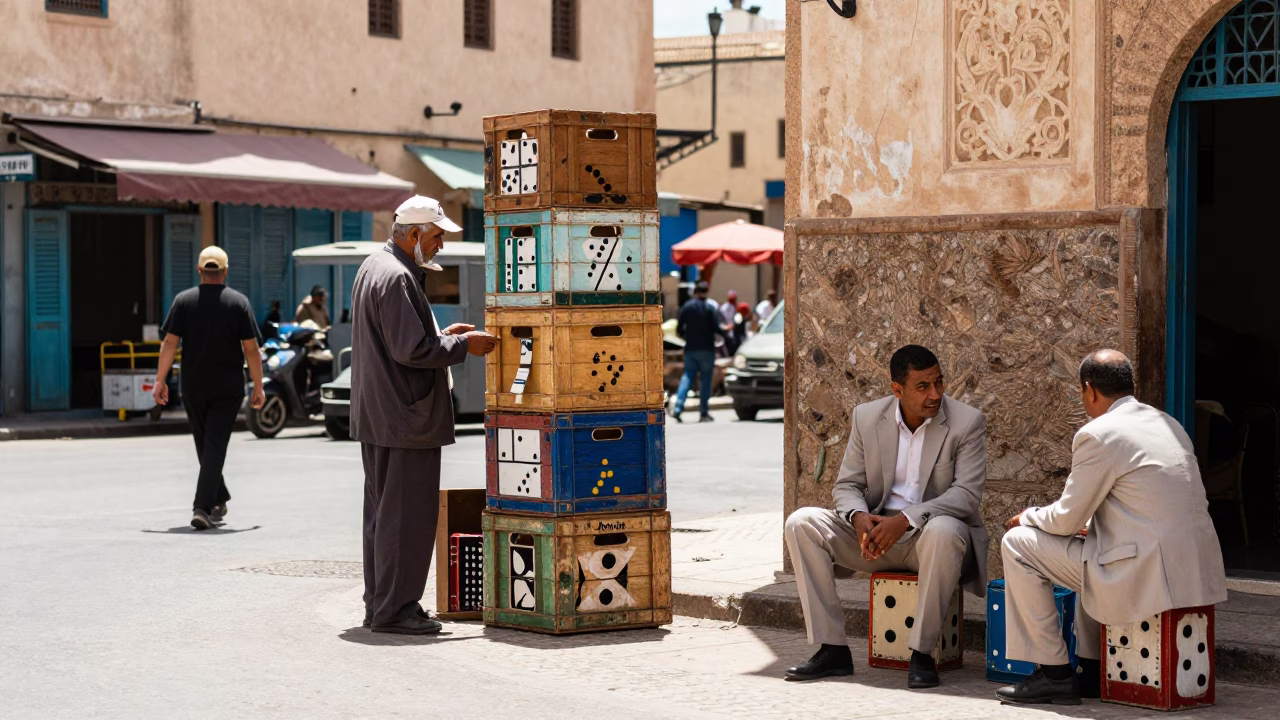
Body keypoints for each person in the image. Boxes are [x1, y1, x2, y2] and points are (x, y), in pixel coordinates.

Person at [996, 350, 1227, 705]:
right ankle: (1091, 671)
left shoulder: (1098, 433)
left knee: (1018, 543)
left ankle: (1054, 673)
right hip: (1192, 570)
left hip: (1144, 571)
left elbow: (1066, 519)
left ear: (1089, 390)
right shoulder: (1169, 424)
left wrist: (1028, 515)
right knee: (1095, 546)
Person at [783, 345, 988, 689]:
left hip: (931, 539)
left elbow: (966, 496)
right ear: (897, 389)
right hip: (876, 536)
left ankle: (922, 655)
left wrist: (906, 520)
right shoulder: (867, 417)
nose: (935, 394)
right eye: (923, 386)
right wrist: (858, 516)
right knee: (801, 522)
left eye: (939, 383)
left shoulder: (966, 422)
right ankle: (832, 648)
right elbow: (847, 484)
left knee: (945, 529)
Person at [350, 195, 498, 636]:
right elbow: (410, 350)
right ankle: (396, 610)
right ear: (413, 234)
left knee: (383, 514)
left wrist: (440, 334)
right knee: (407, 517)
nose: (440, 247)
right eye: (436, 238)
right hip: (403, 417)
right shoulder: (396, 276)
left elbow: (402, 339)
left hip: (382, 414)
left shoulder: (376, 266)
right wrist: (462, 347)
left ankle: (381, 604)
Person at [153, 246, 266, 530]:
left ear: (200, 270)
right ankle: (202, 507)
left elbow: (169, 343)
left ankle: (218, 496)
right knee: (212, 446)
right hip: (227, 387)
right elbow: (251, 349)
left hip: (193, 385)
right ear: (226, 271)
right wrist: (258, 385)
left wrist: (160, 380)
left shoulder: (184, 301)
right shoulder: (238, 303)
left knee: (207, 445)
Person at [673, 280, 727, 423]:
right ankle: (703, 412)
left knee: (687, 377)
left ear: (695, 292)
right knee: (705, 380)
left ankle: (678, 407)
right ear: (706, 292)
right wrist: (725, 331)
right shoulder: (709, 308)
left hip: (691, 348)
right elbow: (716, 328)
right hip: (707, 349)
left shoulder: (687, 307)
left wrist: (687, 337)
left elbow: (679, 329)